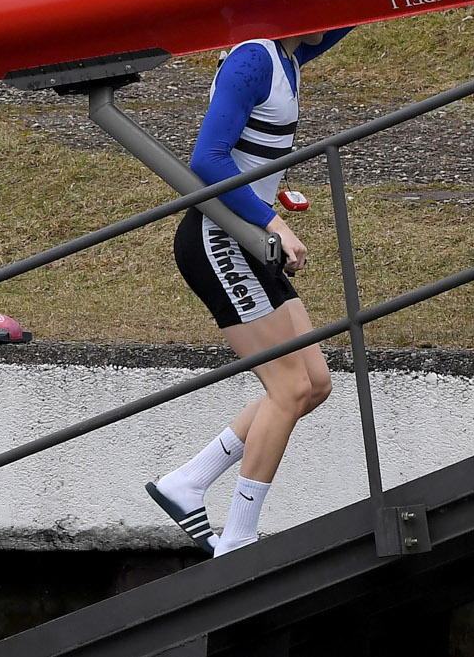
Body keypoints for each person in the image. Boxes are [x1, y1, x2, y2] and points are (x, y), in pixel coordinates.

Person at [148, 27, 348, 556]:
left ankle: (188, 481)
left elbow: (358, 12)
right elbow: (207, 160)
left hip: (250, 242)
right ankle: (237, 538)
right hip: (221, 239)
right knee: (287, 389)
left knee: (314, 383)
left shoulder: (293, 52)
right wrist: (274, 222)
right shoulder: (253, 60)